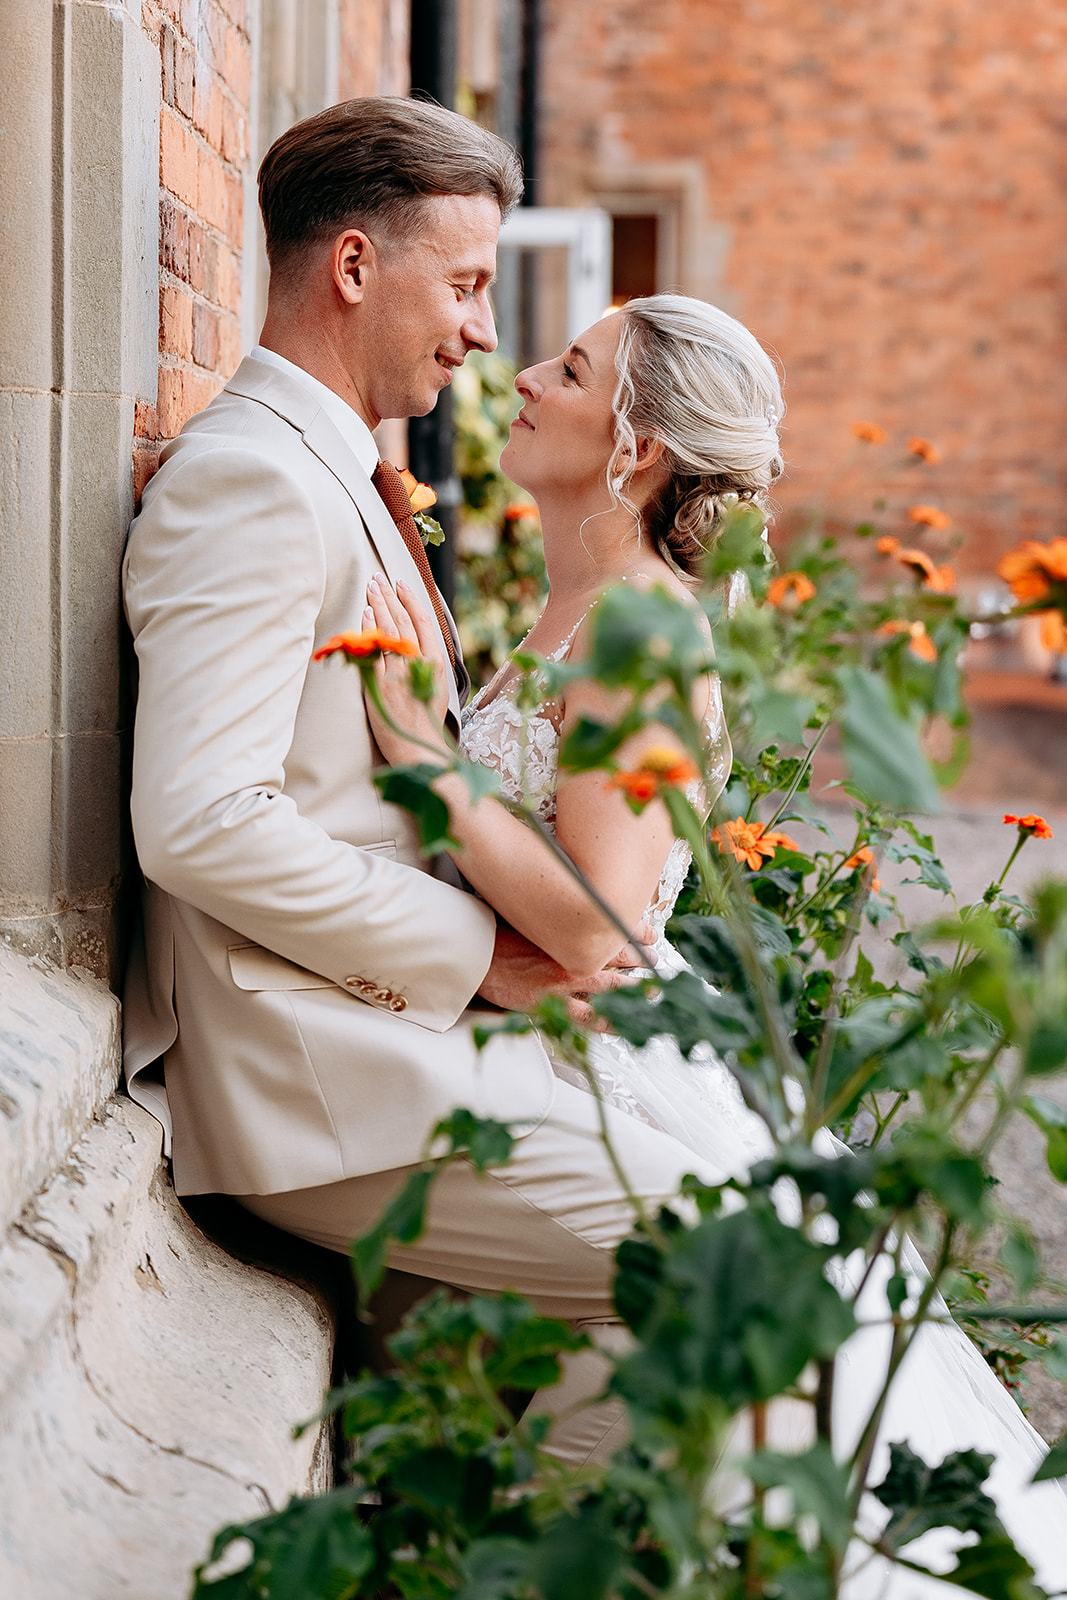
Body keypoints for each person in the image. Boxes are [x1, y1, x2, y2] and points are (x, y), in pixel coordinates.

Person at [360, 293, 1067, 1592]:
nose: (521, 377)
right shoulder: (584, 612)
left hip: (596, 1070)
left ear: (633, 450)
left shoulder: (642, 634)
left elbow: (603, 924)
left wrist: (424, 764)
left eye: (569, 370)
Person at [121, 100, 731, 1472]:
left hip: (398, 1041)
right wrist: (486, 959)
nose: (478, 333)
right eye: (460, 285)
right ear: (351, 268)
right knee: (725, 1258)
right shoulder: (256, 483)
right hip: (311, 1066)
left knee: (664, 1316)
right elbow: (202, 818)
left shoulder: (340, 475)